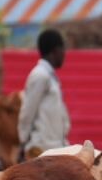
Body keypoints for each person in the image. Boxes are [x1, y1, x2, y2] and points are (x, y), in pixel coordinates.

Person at [18, 29, 70, 159]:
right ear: (55, 51)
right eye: (63, 50)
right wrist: (23, 142)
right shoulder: (39, 75)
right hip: (41, 149)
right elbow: (27, 111)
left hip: (55, 147)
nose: (64, 54)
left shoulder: (50, 76)